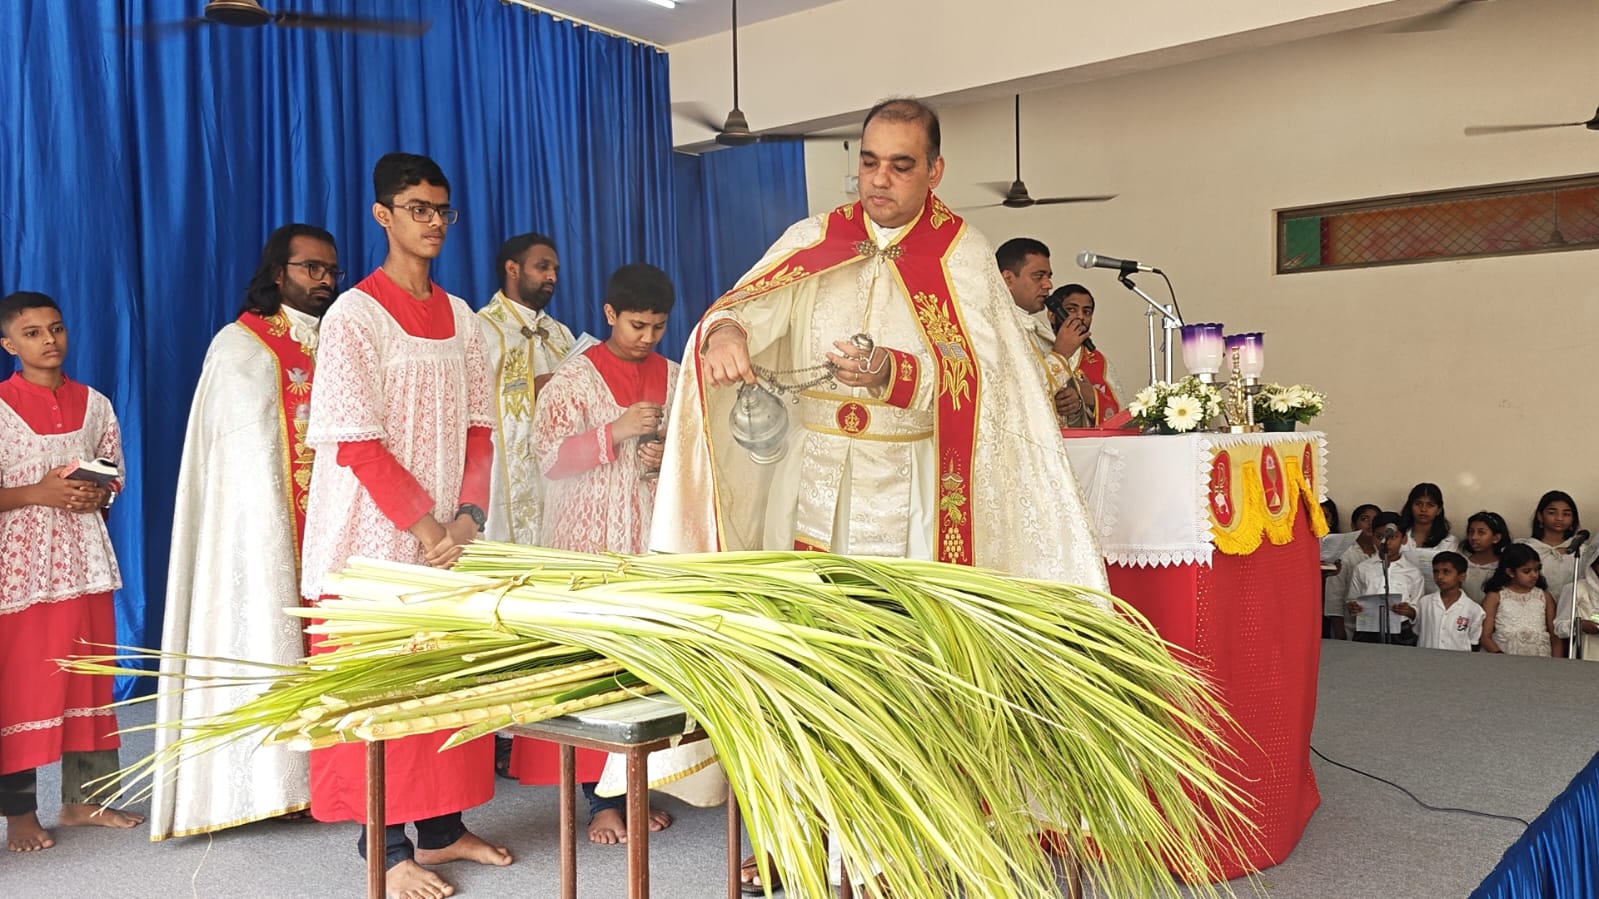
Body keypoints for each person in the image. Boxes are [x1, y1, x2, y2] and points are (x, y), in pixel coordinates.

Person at [648, 97, 1109, 894]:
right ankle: (796, 832)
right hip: (809, 486)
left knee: (897, 677)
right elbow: (745, 307)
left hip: (912, 501)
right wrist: (724, 333)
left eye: (900, 165)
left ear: (934, 170)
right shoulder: (814, 236)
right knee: (805, 669)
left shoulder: (962, 253)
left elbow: (991, 384)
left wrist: (895, 373)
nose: (879, 180)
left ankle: (894, 848)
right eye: (868, 161)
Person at [300, 153, 511, 897]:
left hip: (446, 532)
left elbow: (481, 428)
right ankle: (385, 849)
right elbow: (357, 442)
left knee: (442, 680)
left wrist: (469, 515)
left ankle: (443, 829)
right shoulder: (353, 316)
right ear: (382, 215)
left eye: (442, 210)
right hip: (374, 533)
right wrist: (426, 529)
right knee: (381, 689)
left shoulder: (464, 318)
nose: (434, 222)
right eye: (418, 208)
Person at [507, 263, 723, 844]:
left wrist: (665, 457)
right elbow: (548, 459)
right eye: (636, 325)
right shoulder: (573, 379)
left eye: (658, 326)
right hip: (586, 545)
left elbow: (699, 456)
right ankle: (597, 803)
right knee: (591, 670)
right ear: (609, 314)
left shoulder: (675, 377)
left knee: (643, 671)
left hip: (649, 542)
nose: (648, 337)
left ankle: (635, 790)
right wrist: (618, 432)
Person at [152, 224, 341, 841]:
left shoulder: (343, 338)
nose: (324, 280)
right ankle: (273, 782)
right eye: (311, 268)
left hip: (333, 524)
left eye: (331, 271)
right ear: (278, 272)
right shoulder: (241, 345)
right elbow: (239, 463)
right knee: (266, 628)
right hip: (269, 533)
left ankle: (336, 774)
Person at [0, 291, 143, 851]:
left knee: (89, 674)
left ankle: (85, 800)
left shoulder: (95, 403)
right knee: (21, 686)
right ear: (9, 345)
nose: (49, 340)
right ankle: (19, 814)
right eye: (32, 332)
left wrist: (97, 495)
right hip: (20, 570)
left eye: (56, 328)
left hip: (85, 561)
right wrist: (37, 492)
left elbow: (113, 473)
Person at [477, 233, 577, 545]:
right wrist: (532, 391)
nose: (552, 277)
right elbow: (467, 404)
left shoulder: (560, 334)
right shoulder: (480, 329)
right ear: (513, 269)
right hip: (500, 475)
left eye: (555, 270)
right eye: (543, 267)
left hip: (558, 475)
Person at [1345, 511, 1426, 644]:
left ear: (1404, 539)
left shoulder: (1413, 572)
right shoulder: (1362, 568)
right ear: (1372, 537)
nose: (1386, 542)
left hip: (1400, 631)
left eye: (1393, 537)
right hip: (1367, 630)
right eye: (1379, 536)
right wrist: (1353, 607)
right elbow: (1352, 600)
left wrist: (1409, 611)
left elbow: (1417, 610)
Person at [1480, 543, 1558, 657]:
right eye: (1526, 571)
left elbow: (1555, 636)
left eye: (1537, 570)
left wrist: (1556, 662)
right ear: (1510, 572)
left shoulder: (1544, 597)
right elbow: (1485, 637)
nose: (1534, 575)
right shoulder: (1495, 596)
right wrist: (1501, 657)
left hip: (1540, 658)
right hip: (1503, 657)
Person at [1324, 502, 1379, 640]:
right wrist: (1339, 633)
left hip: (1376, 628)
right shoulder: (1343, 554)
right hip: (1348, 626)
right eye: (1364, 519)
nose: (1370, 524)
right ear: (1353, 525)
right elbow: (1334, 597)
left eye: (1375, 520)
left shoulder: (1382, 553)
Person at [1517, 490, 1582, 605]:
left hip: (1572, 609)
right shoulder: (1526, 549)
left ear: (1573, 519)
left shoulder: (1581, 550)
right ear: (1540, 516)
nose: (1559, 518)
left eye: (1566, 514)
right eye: (1552, 513)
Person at [1413, 552, 1485, 651]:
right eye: (1436, 572)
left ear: (1462, 577)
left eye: (1446, 572)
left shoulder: (1474, 609)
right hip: (1426, 657)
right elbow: (1417, 632)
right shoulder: (1424, 603)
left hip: (1458, 659)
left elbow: (1474, 642)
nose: (1439, 576)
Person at [1553, 540, 1599, 661]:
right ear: (1593, 563)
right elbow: (1559, 627)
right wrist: (1580, 626)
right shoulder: (1575, 589)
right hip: (1587, 651)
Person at [1460, 510, 1511, 603]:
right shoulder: (1461, 563)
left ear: (1496, 538)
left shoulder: (1504, 566)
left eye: (1481, 532)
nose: (1474, 537)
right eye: (1471, 532)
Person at [1399, 482, 1456, 551]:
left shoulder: (1449, 541)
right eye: (1418, 504)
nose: (1423, 509)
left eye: (1430, 505)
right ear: (1410, 506)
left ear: (1439, 510)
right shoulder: (1397, 536)